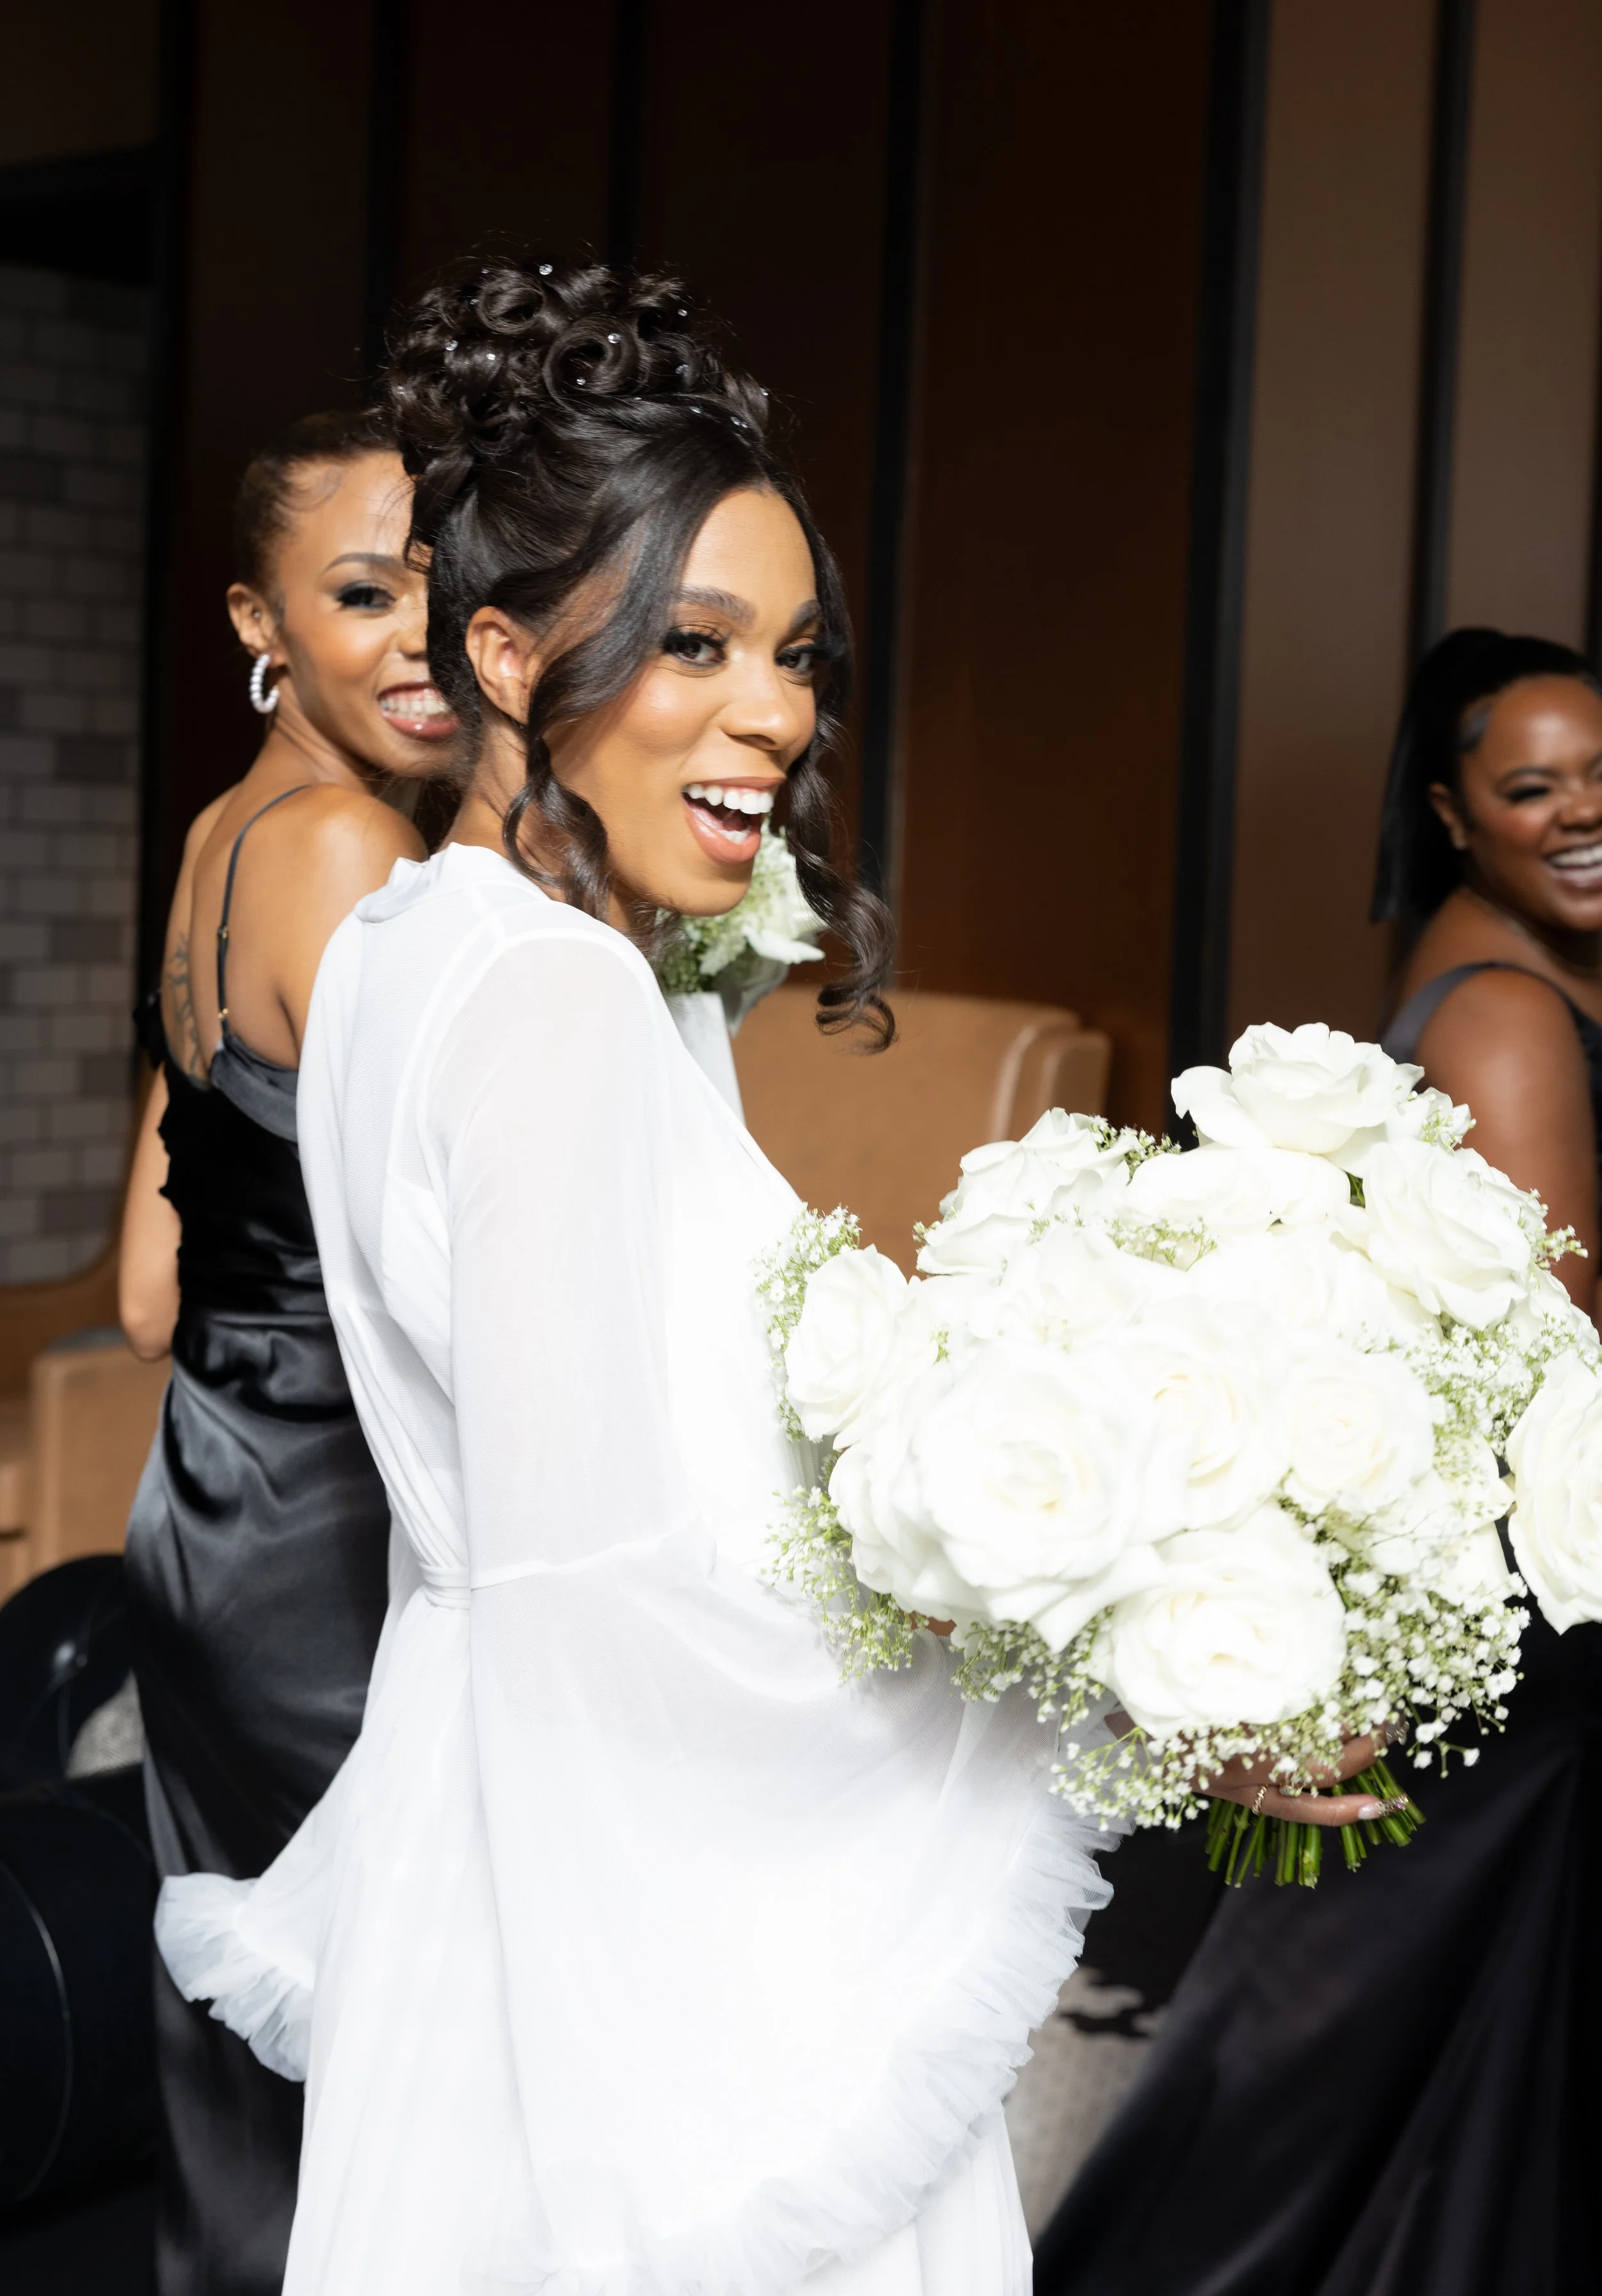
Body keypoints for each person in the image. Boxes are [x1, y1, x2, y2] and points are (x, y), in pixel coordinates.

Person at [150, 261, 1373, 2296]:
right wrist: (1100, 1681)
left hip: (500, 1858)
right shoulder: (547, 1002)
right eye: (690, 641)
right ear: (507, 653)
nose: (777, 711)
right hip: (639, 1926)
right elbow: (605, 1590)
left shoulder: (403, 945)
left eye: (796, 650)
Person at [1034, 625, 1602, 2296]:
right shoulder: (1501, 1012)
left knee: (1425, 2044)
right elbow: (1559, 1353)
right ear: (1449, 810)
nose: (1578, 811)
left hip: (1521, 1581)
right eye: (1529, 786)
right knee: (1335, 2060)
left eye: (1599, 774)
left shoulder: (1534, 973)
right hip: (1526, 1595)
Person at [119, 410, 460, 2296]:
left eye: (443, 583)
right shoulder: (344, 850)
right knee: (401, 2041)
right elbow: (461, 1266)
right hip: (335, 1521)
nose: (419, 632)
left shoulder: (221, 833)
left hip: (212, 1498)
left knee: (260, 2063)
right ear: (260, 614)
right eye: (360, 592)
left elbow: (157, 1281)